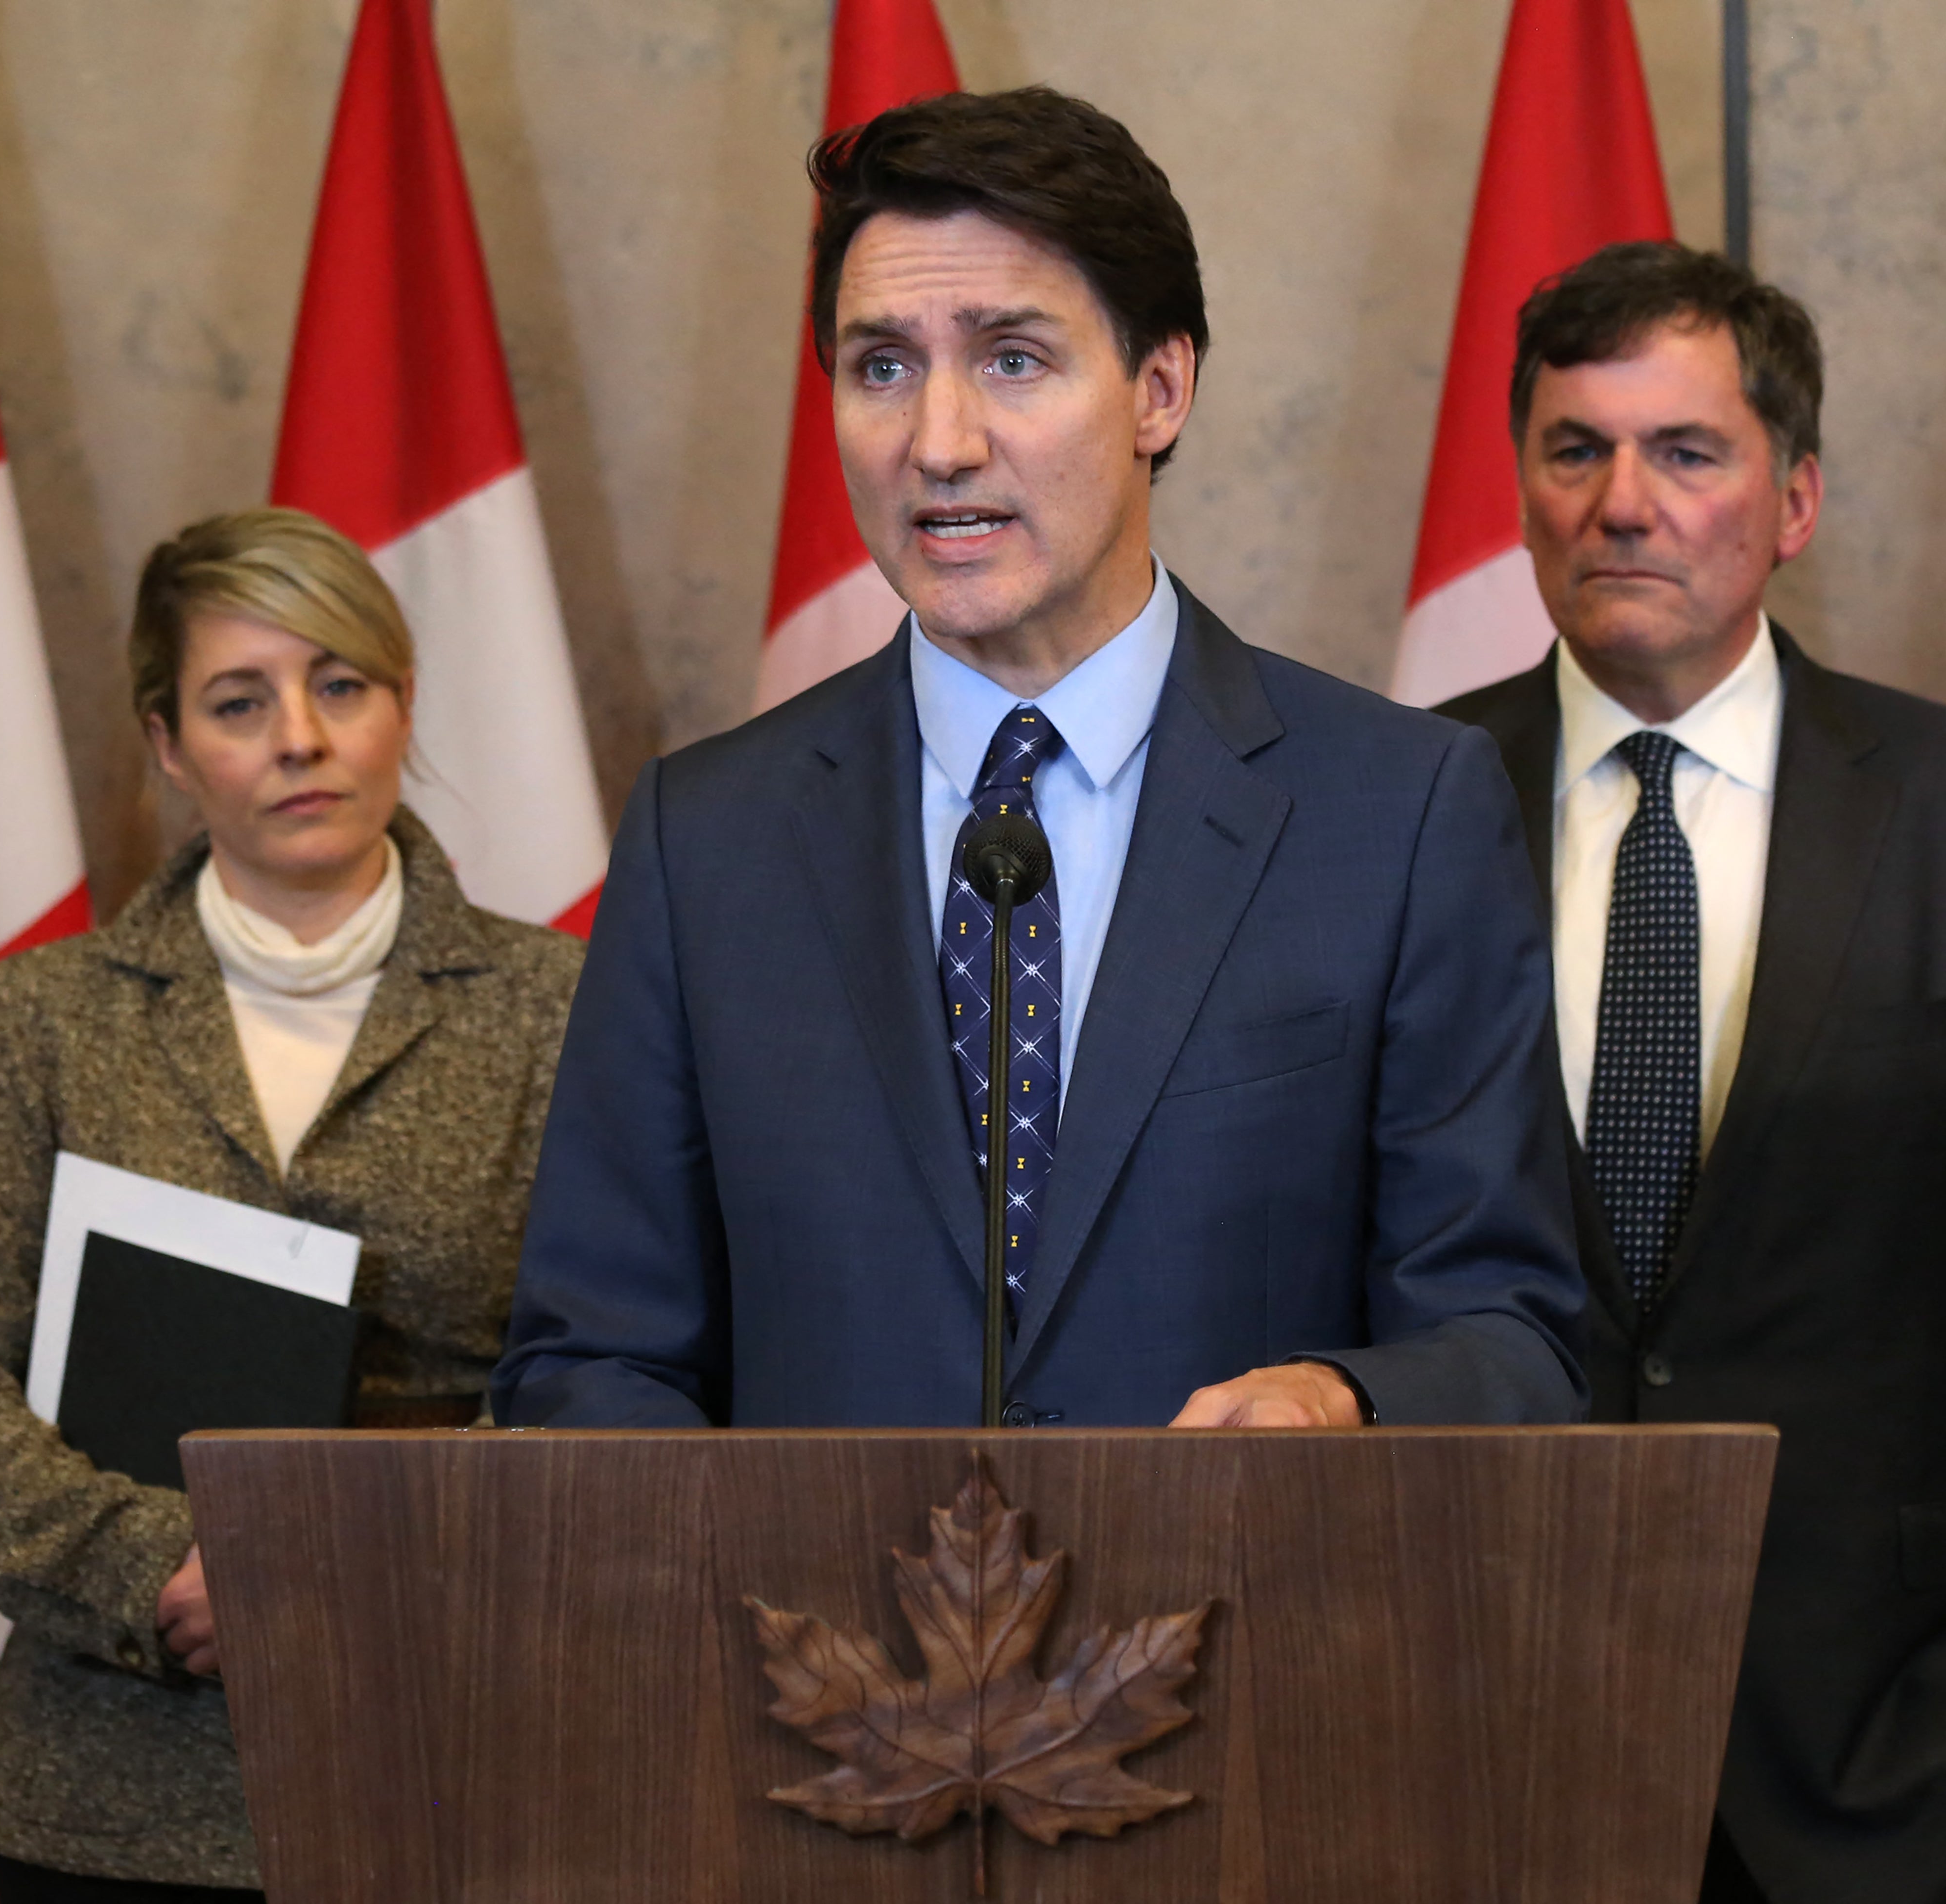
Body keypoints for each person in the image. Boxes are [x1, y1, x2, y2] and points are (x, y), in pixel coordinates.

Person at [493, 88, 1584, 1433]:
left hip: (1250, 1618)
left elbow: (1515, 1335)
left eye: (1013, 359)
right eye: (881, 366)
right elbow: (587, 1359)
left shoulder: (1401, 813)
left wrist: (1343, 1401)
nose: (939, 443)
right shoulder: (705, 836)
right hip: (817, 1637)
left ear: (1160, 389)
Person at [1438, 242, 1946, 1904]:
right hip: (1471, 1743)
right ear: (1523, 490)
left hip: (1903, 1776)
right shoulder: (1389, 810)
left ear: (1794, 500)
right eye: (1576, 450)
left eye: (1686, 453)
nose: (1622, 502)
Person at [0, 509, 582, 1901]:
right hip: (107, 1784)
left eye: (341, 684)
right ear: (171, 745)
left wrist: (363, 1564)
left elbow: (616, 1357)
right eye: (240, 702)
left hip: (459, 1754)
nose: (299, 737)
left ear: (401, 704)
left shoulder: (564, 1004)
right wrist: (157, 1572)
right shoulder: (47, 1018)